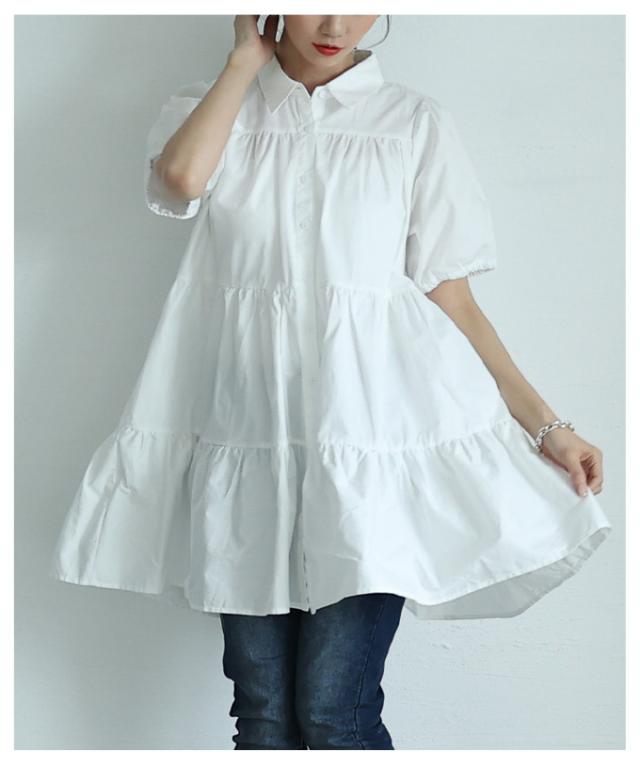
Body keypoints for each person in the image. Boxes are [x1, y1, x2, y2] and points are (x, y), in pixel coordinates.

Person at [50, 14, 613, 750]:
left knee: (334, 710)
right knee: (261, 711)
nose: (336, 23)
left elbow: (452, 297)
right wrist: (243, 63)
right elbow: (180, 181)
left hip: (369, 454)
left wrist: (546, 425)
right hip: (247, 445)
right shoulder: (214, 106)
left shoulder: (412, 123)